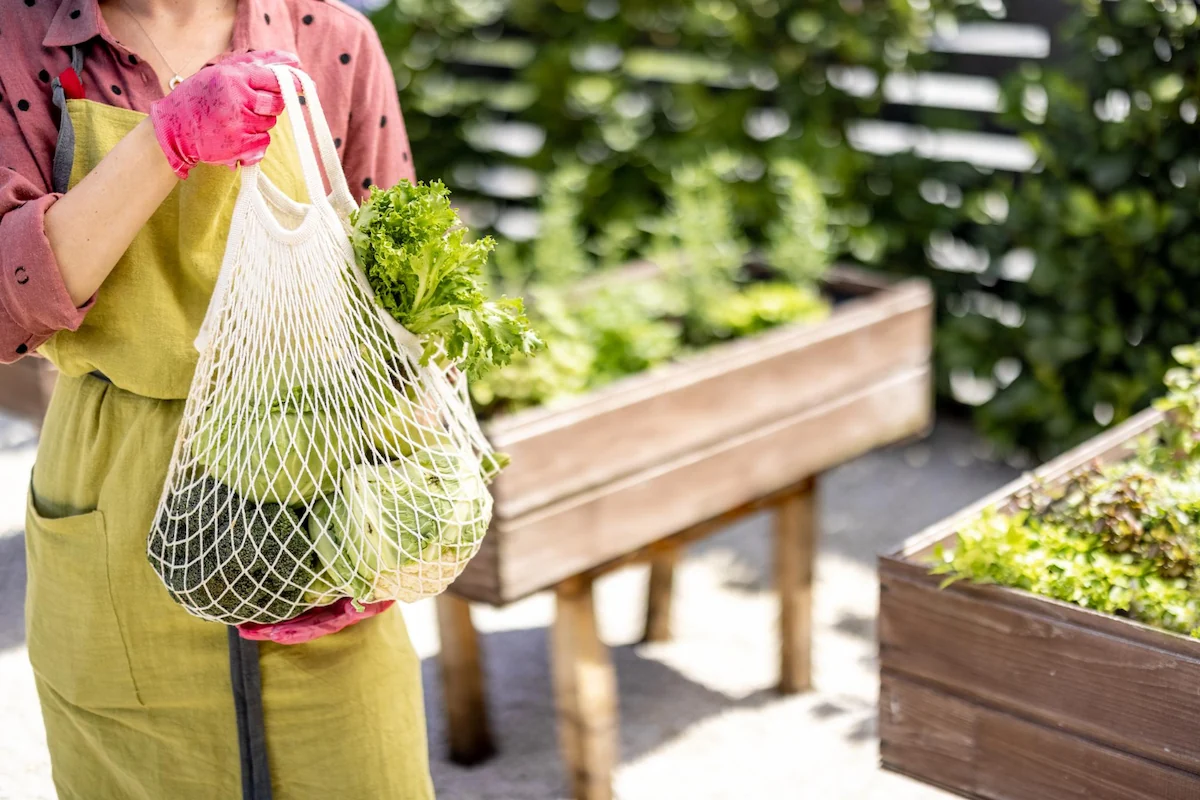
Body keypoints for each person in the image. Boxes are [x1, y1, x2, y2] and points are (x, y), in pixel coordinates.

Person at [0, 0, 434, 797]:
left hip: (318, 482)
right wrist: (161, 143)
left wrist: (388, 534)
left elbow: (403, 309)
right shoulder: (17, 45)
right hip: (116, 489)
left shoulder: (331, 42)